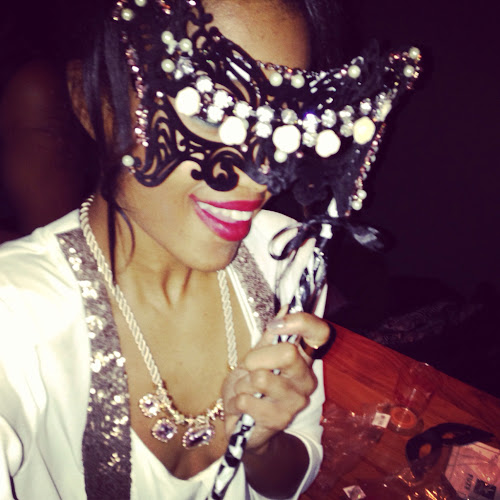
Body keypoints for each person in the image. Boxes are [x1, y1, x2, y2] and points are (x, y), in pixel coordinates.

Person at [0, 0, 420, 498]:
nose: (262, 174)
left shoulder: (286, 255)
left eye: (285, 122)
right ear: (94, 105)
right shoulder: (15, 314)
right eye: (209, 111)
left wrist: (263, 444)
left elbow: (292, 470)